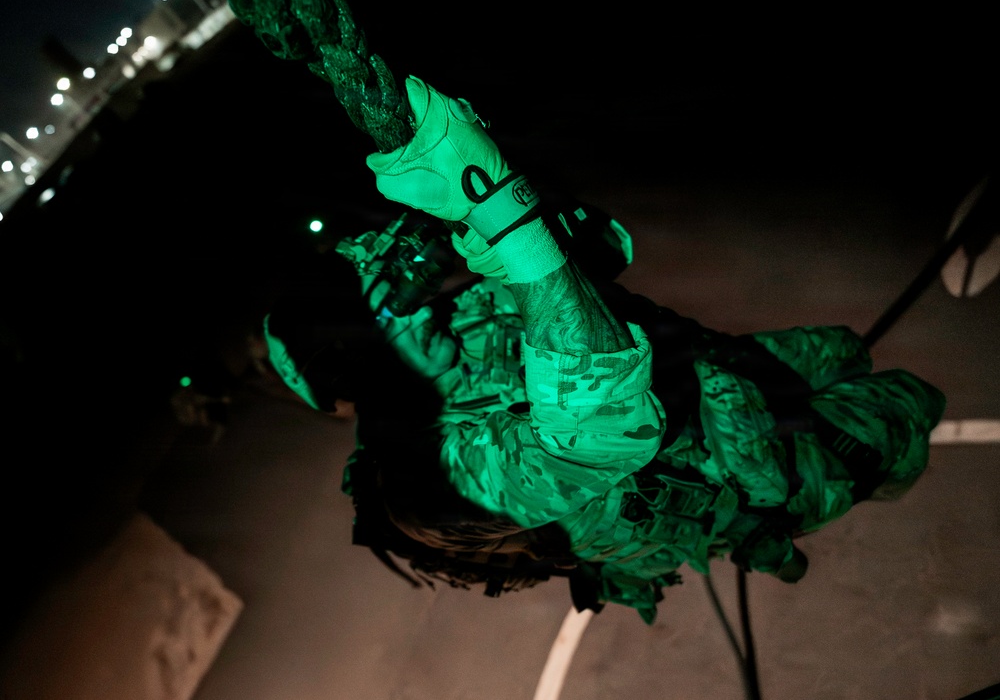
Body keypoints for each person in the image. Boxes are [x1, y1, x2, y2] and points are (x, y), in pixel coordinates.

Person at [263, 76, 946, 624]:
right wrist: (506, 220)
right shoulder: (427, 475)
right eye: (375, 293)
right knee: (909, 404)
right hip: (743, 469)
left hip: (719, 373)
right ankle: (772, 529)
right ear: (360, 355)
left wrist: (511, 217)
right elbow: (600, 432)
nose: (399, 278)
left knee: (845, 349)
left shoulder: (457, 317)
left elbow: (606, 254)